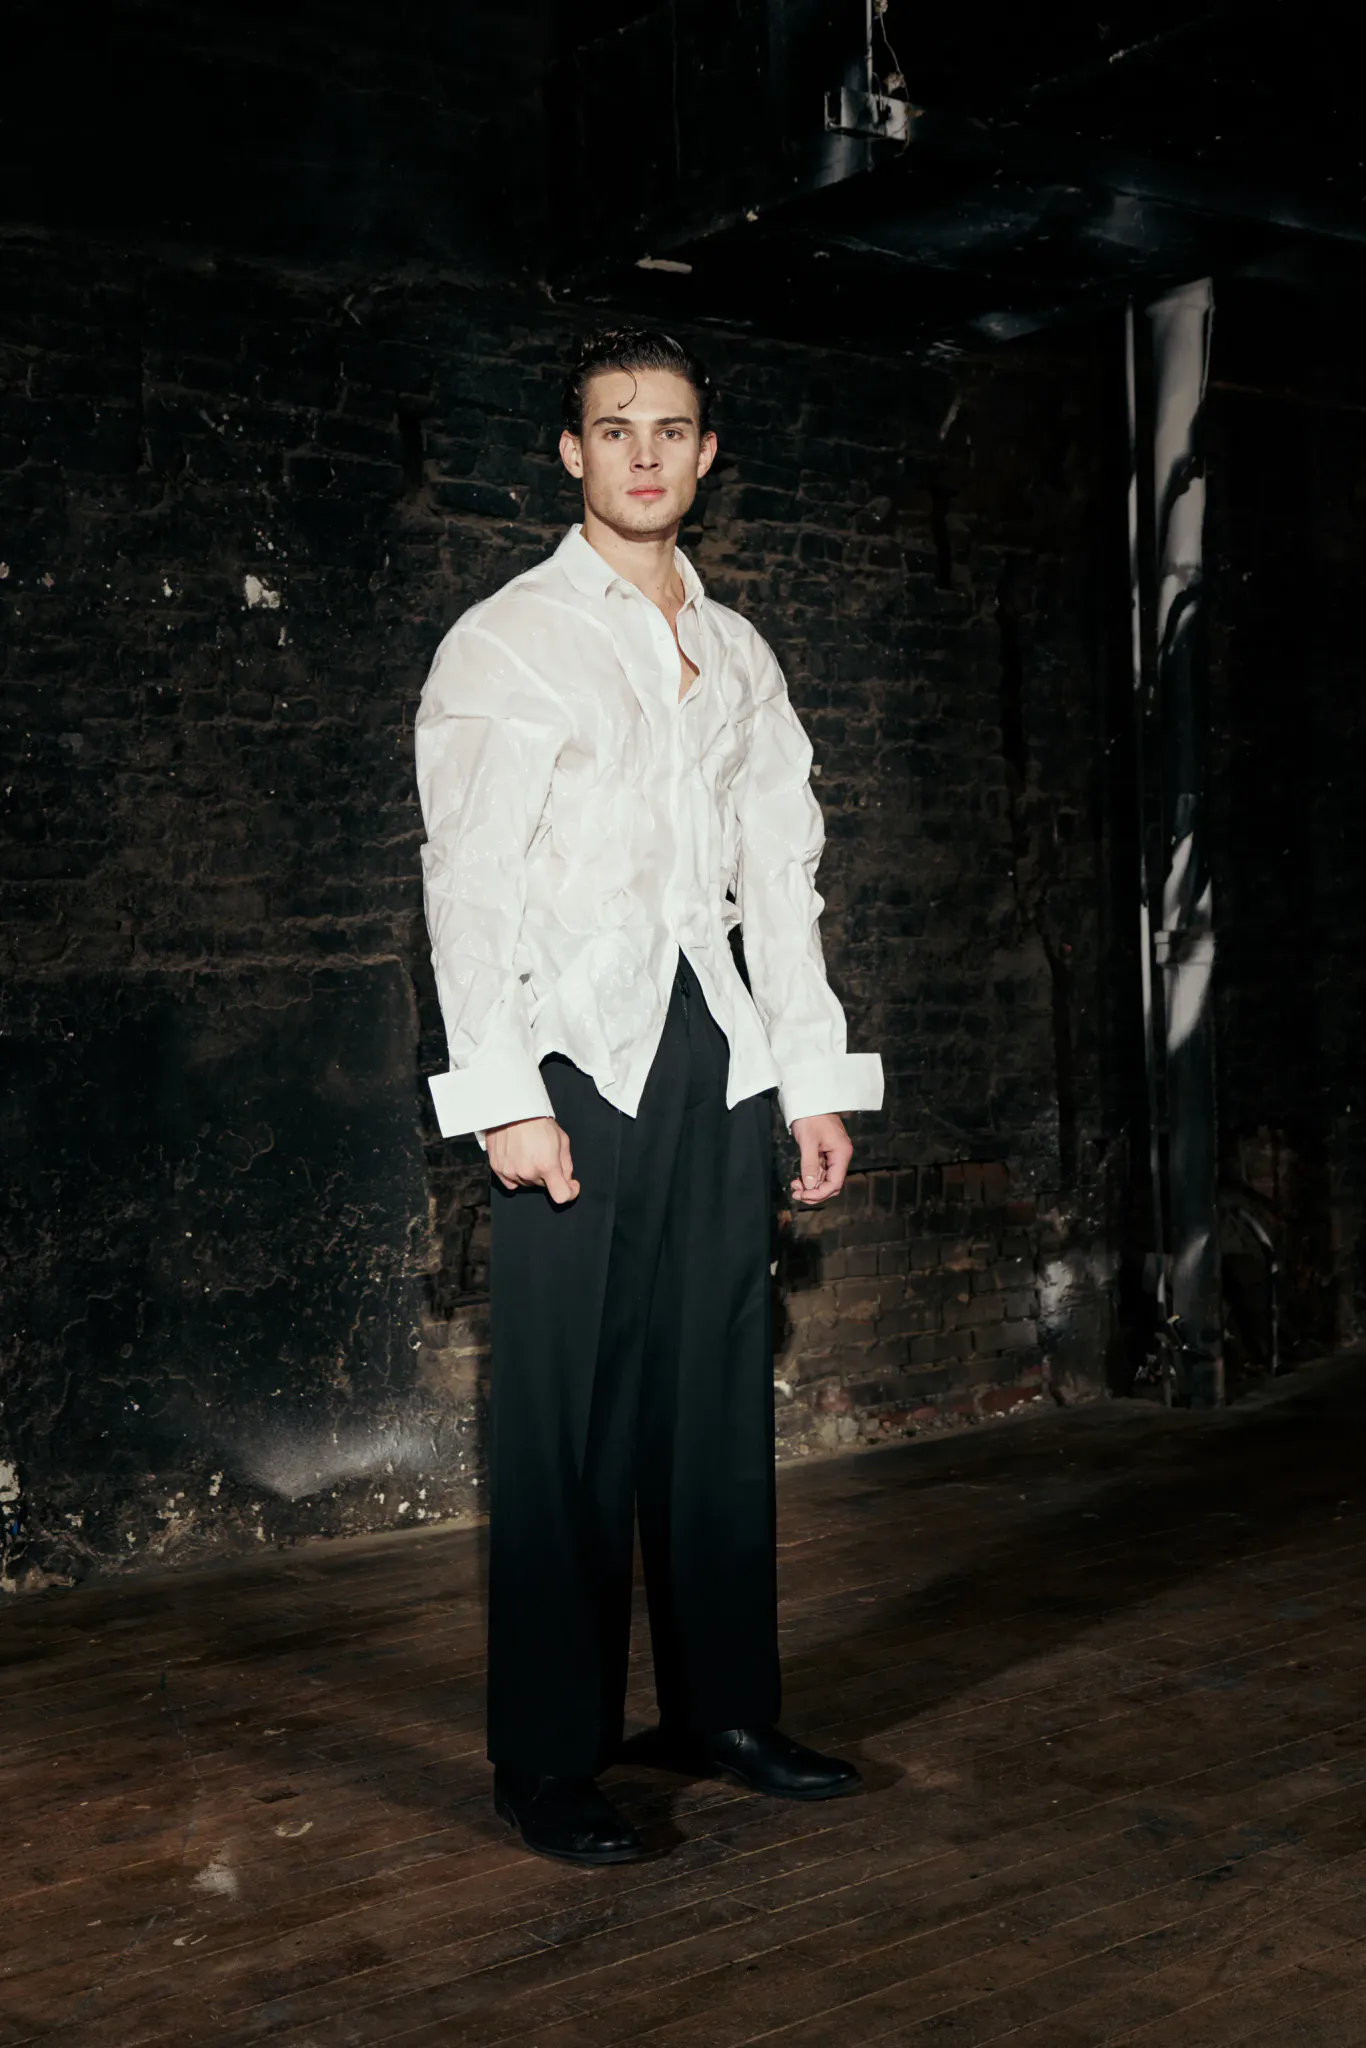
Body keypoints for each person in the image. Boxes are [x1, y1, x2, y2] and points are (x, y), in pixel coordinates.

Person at [415, 328, 883, 1866]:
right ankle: (549, 1760)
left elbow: (783, 881)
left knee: (711, 1399)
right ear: (571, 452)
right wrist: (504, 1095)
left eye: (669, 429)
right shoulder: (508, 639)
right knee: (564, 1425)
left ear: (704, 454)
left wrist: (808, 1078)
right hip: (573, 1063)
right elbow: (468, 887)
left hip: (716, 1053)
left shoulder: (739, 652)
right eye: (613, 428)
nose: (641, 453)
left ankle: (720, 1712)